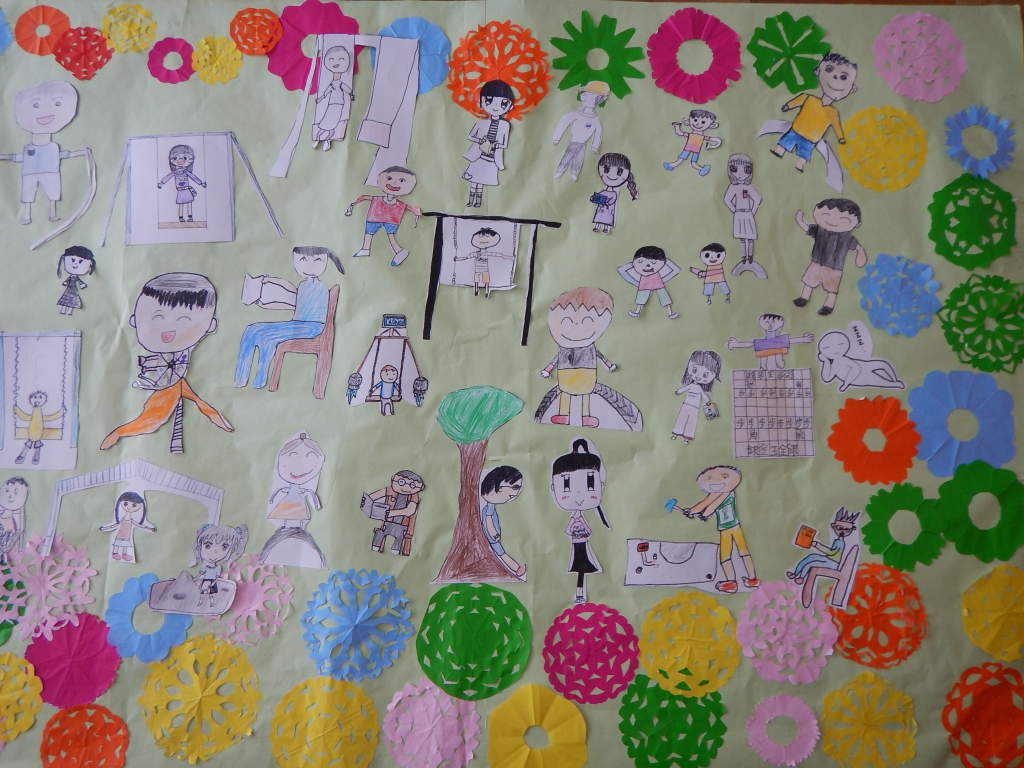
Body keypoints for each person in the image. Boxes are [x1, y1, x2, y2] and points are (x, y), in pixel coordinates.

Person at [101, 273, 233, 453]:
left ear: (211, 326)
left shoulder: (184, 355)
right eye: (157, 318)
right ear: (134, 320)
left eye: (184, 320)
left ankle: (121, 433)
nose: (169, 328)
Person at [235, 246, 344, 390]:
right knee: (252, 330)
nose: (309, 266)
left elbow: (309, 312)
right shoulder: (303, 285)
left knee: (268, 337)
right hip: (298, 325)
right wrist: (263, 302)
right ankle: (240, 379)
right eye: (303, 259)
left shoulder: (321, 288)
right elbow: (291, 305)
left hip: (313, 327)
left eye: (317, 260)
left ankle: (260, 381)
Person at [0, 81, 88, 225]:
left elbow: (63, 155)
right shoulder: (28, 148)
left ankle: (52, 213)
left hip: (50, 173)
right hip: (30, 173)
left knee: (52, 193)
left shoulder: (53, 147)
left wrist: (81, 153)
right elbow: (19, 158)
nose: (45, 112)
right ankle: (27, 215)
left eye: (57, 103)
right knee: (28, 194)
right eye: (36, 105)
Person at [666, 465, 758, 594]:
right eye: (709, 478)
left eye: (724, 477)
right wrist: (691, 511)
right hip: (724, 529)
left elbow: (715, 504)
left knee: (742, 553)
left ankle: (751, 579)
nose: (716, 481)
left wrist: (705, 514)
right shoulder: (716, 493)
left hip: (734, 527)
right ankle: (731, 582)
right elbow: (705, 502)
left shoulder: (727, 492)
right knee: (726, 555)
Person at [541, 288, 618, 428]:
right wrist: (547, 370)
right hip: (566, 372)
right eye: (567, 322)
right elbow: (556, 359)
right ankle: (563, 415)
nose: (576, 326)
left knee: (585, 393)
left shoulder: (589, 347)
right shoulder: (564, 348)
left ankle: (586, 416)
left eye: (587, 322)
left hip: (586, 372)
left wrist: (609, 365)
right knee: (565, 393)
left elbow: (600, 356)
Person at [770, 53, 858, 172]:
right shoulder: (809, 99)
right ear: (817, 71)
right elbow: (798, 100)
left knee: (805, 153)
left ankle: (799, 165)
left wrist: (841, 137)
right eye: (829, 69)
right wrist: (788, 106)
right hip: (796, 130)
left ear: (852, 89)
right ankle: (779, 151)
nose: (835, 77)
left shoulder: (833, 112)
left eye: (843, 77)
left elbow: (836, 126)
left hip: (811, 139)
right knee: (786, 142)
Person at [552, 439, 610, 604]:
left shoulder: (595, 518)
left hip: (582, 545)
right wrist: (576, 526)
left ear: (600, 485)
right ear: (553, 488)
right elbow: (568, 530)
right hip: (577, 546)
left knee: (582, 569)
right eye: (566, 484)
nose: (578, 496)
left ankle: (580, 593)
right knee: (580, 569)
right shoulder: (574, 517)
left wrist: (581, 531)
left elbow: (588, 531)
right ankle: (579, 593)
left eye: (590, 483)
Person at [793, 198, 867, 315]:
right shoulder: (820, 230)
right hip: (816, 263)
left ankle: (828, 306)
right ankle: (804, 298)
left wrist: (860, 255)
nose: (833, 221)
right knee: (808, 282)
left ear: (857, 224)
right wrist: (800, 220)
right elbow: (807, 228)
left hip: (834, 268)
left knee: (831, 289)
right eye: (826, 215)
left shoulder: (847, 238)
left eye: (843, 219)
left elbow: (858, 248)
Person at [345, 166, 421, 266]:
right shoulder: (379, 200)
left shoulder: (398, 204)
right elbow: (364, 197)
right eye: (389, 178)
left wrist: (415, 210)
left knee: (389, 234)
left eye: (402, 181)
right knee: (371, 232)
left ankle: (399, 251)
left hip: (390, 217)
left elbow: (408, 207)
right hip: (375, 217)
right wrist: (353, 204)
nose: (394, 183)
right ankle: (366, 249)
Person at [463, 80, 515, 207]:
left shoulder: (505, 125)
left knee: (481, 181)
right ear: (481, 102)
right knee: (474, 180)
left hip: (492, 159)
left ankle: (478, 202)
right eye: (489, 101)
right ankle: (470, 200)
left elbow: (504, 144)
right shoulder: (481, 123)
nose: (496, 107)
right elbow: (471, 136)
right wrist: (480, 140)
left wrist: (496, 144)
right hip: (479, 156)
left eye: (503, 103)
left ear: (510, 106)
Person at [552, 81, 608, 181]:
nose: (583, 97)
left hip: (583, 144)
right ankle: (560, 171)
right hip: (573, 142)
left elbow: (598, 132)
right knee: (567, 156)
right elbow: (563, 122)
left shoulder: (595, 119)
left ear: (600, 99)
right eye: (584, 94)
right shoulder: (576, 114)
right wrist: (556, 138)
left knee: (578, 159)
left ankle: (574, 173)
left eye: (590, 96)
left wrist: (595, 146)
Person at [267, 432, 325, 529]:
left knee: (299, 515)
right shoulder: (287, 489)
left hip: (298, 504)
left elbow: (311, 494)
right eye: (292, 459)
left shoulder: (304, 490)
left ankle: (298, 527)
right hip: (287, 503)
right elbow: (278, 491)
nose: (299, 469)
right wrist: (272, 499)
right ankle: (284, 526)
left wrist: (316, 504)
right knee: (284, 515)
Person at [787, 508, 859, 583]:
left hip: (833, 563)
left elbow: (831, 552)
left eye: (847, 530)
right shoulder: (837, 540)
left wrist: (817, 545)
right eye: (839, 528)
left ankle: (801, 578)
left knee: (811, 564)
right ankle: (795, 573)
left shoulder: (841, 542)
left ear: (851, 530)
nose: (843, 532)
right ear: (833, 526)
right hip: (827, 559)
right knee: (811, 557)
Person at [480, 465, 526, 579]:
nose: (514, 493)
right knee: (501, 553)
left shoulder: (489, 506)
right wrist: (493, 533)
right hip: (492, 538)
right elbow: (488, 519)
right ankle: (516, 569)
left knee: (501, 553)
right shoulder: (489, 507)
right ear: (498, 487)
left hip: (491, 538)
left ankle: (517, 568)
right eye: (515, 487)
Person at [817, 331, 905, 392]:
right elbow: (827, 378)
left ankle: (895, 380)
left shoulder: (844, 359)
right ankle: (896, 384)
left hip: (864, 366)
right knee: (880, 381)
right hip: (860, 378)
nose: (835, 350)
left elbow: (856, 367)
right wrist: (826, 361)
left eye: (840, 344)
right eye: (826, 348)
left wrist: (846, 383)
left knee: (883, 364)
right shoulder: (834, 367)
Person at [723, 154, 765, 278]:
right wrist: (735, 210)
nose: (740, 174)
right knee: (742, 237)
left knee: (750, 237)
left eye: (746, 170)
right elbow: (727, 200)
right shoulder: (733, 187)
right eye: (735, 169)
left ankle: (750, 257)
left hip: (747, 213)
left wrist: (752, 211)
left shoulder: (748, 187)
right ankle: (744, 257)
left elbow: (757, 199)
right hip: (739, 214)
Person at [188, 524, 248, 609]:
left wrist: (212, 583)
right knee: (201, 593)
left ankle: (211, 604)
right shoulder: (205, 568)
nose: (215, 552)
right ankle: (200, 603)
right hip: (205, 582)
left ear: (232, 549)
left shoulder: (218, 568)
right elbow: (200, 575)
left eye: (224, 547)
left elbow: (216, 577)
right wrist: (194, 580)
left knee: (211, 595)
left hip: (212, 583)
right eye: (208, 545)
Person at [367, 470, 424, 556]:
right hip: (387, 522)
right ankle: (375, 547)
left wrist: (391, 513)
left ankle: (395, 550)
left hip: (402, 525)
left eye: (412, 485)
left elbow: (409, 511)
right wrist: (370, 505)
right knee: (380, 532)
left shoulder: (413, 496)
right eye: (401, 482)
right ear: (393, 479)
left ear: (421, 487)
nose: (405, 487)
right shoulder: (392, 490)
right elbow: (372, 497)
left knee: (399, 536)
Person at [728, 314, 814, 370]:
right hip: (766, 345)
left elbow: (791, 340)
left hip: (776, 344)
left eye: (773, 322)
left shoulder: (780, 340)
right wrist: (737, 344)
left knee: (779, 355)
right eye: (767, 322)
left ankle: (778, 362)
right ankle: (764, 366)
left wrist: (804, 339)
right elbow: (751, 344)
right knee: (764, 357)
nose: (770, 325)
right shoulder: (764, 342)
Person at [617, 245, 681, 319]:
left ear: (663, 262)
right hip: (644, 286)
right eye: (640, 261)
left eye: (653, 262)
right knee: (641, 300)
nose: (647, 265)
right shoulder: (642, 277)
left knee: (665, 300)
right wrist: (633, 264)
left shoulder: (657, 275)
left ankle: (670, 313)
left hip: (658, 285)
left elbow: (676, 270)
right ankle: (636, 312)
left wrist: (665, 260)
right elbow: (621, 270)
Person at [672, 350, 722, 444]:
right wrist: (678, 391)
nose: (698, 375)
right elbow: (684, 388)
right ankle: (676, 433)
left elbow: (704, 396)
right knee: (681, 419)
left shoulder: (699, 388)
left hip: (695, 407)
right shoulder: (692, 385)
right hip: (686, 405)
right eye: (694, 370)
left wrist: (708, 402)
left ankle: (687, 438)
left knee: (691, 422)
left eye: (705, 374)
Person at [312, 45, 354, 150]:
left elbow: (348, 90)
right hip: (332, 104)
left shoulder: (341, 83)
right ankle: (318, 139)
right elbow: (326, 92)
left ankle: (327, 140)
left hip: (339, 104)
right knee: (326, 121)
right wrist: (320, 99)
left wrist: (351, 95)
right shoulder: (331, 83)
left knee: (333, 123)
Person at [454, 227, 514, 297]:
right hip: (477, 270)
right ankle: (476, 291)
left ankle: (486, 292)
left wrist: (510, 257)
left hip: (485, 270)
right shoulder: (475, 253)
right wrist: (457, 259)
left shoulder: (487, 253)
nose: (484, 240)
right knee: (476, 281)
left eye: (488, 237)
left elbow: (499, 255)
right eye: (480, 236)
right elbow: (466, 257)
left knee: (486, 282)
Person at [99, 491, 155, 562]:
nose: (129, 507)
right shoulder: (122, 519)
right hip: (120, 534)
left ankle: (124, 554)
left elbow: (140, 525)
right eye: (126, 503)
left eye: (134, 505)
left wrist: (149, 528)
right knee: (117, 544)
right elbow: (114, 525)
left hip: (127, 535)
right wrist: (105, 528)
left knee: (125, 544)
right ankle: (115, 553)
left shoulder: (132, 520)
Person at [663, 109, 722, 175]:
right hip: (687, 149)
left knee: (693, 163)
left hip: (695, 150)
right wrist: (677, 126)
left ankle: (702, 169)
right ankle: (672, 165)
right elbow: (680, 133)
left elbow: (716, 140)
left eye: (703, 122)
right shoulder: (691, 135)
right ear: (687, 121)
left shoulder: (701, 137)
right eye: (695, 120)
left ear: (712, 125)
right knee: (682, 159)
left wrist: (713, 144)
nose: (697, 124)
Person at [591, 152, 638, 234]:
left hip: (608, 210)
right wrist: (594, 198)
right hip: (601, 209)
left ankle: (605, 228)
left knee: (607, 219)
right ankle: (596, 226)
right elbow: (599, 196)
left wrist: (607, 203)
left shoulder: (614, 193)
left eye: (619, 172)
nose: (611, 175)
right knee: (599, 217)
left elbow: (613, 199)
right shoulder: (604, 191)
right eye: (606, 169)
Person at [157, 144, 206, 223]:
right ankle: (181, 217)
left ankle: (190, 216)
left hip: (187, 190)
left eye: (185, 158)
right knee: (181, 204)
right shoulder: (175, 172)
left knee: (189, 203)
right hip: (180, 191)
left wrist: (201, 183)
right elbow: (168, 177)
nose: (180, 161)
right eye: (175, 158)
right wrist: (162, 183)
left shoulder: (185, 171)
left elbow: (193, 177)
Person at [13, 390, 64, 465]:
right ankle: (22, 455)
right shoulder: (35, 412)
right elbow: (26, 417)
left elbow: (49, 418)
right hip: (32, 432)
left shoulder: (40, 413)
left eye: (40, 397)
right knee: (30, 442)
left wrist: (61, 412)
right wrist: (17, 410)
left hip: (39, 433)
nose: (37, 399)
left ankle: (35, 457)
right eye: (35, 397)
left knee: (37, 443)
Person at [56, 245, 95, 315]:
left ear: (90, 264)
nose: (75, 264)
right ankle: (63, 310)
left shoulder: (75, 277)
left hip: (73, 290)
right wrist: (65, 282)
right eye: (73, 260)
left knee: (72, 301)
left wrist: (82, 284)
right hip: (70, 290)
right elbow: (69, 280)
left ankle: (69, 311)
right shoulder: (71, 276)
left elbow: (79, 281)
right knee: (66, 300)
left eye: (80, 261)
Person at [0, 477, 28, 565]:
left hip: (6, 536)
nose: (10, 496)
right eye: (7, 490)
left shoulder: (14, 518)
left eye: (16, 493)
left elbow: (14, 532)